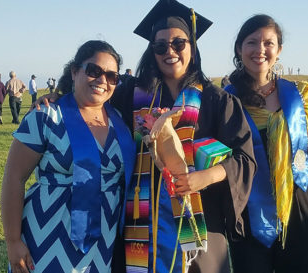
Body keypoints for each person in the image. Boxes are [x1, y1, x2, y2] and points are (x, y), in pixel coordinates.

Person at [110, 1, 255, 272]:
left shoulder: (217, 100)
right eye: (161, 46)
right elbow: (91, 96)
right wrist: (55, 97)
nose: (170, 51)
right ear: (151, 51)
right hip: (140, 227)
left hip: (199, 227)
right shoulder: (132, 94)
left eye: (179, 43)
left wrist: (205, 177)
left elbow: (244, 158)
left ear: (192, 46)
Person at [1, 40, 136, 273]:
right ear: (74, 72)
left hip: (102, 241)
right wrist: (13, 241)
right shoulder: (46, 116)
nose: (103, 80)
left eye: (112, 76)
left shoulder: (120, 121)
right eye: (94, 71)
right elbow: (14, 178)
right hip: (48, 234)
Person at [224, 14, 308, 273]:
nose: (260, 49)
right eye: (252, 42)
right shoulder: (226, 100)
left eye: (268, 43)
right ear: (239, 48)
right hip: (248, 210)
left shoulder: (300, 93)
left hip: (302, 203)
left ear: (279, 50)